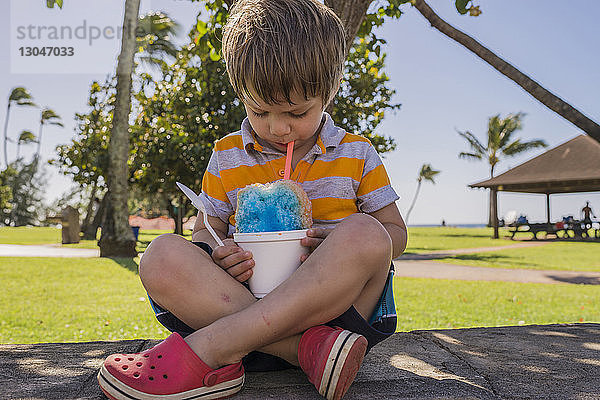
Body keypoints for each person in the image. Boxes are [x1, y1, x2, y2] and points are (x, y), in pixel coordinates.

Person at [97, 1, 407, 399]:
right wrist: (217, 253)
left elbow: (395, 233)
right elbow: (205, 234)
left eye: (296, 112)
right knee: (160, 256)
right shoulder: (227, 155)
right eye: (259, 111)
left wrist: (335, 242)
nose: (278, 128)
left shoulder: (357, 152)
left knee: (367, 233)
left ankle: (213, 348)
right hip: (266, 317)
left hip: (338, 317)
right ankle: (302, 351)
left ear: (328, 92)